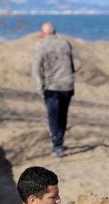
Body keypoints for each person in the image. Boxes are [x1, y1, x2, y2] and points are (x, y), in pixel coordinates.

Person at [32, 22, 82, 158]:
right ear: (55, 32)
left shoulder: (41, 46)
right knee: (62, 115)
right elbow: (78, 64)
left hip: (51, 86)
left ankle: (57, 145)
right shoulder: (66, 44)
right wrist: (67, 70)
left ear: (42, 34)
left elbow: (36, 69)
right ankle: (60, 141)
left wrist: (39, 87)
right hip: (67, 85)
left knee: (53, 116)